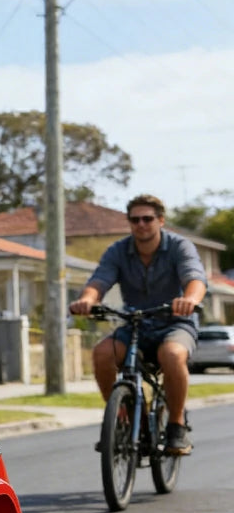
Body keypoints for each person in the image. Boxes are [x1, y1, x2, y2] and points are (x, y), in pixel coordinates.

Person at [69, 194, 206, 455]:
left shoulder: (179, 247)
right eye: (135, 220)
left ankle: (176, 425)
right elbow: (99, 281)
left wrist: (189, 299)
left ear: (160, 221)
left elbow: (195, 278)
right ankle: (123, 417)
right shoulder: (118, 251)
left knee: (172, 354)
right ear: (129, 222)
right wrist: (87, 300)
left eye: (147, 219)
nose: (141, 224)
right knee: (101, 354)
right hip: (135, 324)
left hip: (175, 322)